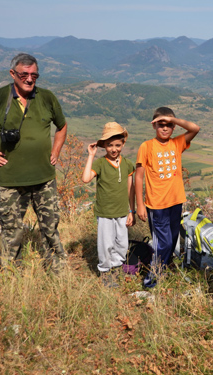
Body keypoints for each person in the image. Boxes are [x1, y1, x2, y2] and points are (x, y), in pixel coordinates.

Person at [0, 53, 68, 272]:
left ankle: (57, 269)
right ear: (13, 74)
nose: (29, 79)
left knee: (50, 228)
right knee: (12, 231)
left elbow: (62, 126)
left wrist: (56, 150)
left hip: (44, 178)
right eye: (24, 74)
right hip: (10, 180)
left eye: (34, 75)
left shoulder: (46, 97)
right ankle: (13, 273)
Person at [135, 107, 200, 288]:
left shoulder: (177, 143)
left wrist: (174, 119)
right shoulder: (146, 146)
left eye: (169, 125)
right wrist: (140, 205)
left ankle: (162, 270)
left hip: (175, 201)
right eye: (161, 124)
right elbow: (138, 176)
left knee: (171, 241)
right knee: (162, 243)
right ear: (154, 125)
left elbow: (195, 128)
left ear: (174, 127)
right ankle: (151, 280)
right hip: (156, 204)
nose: (165, 128)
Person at [82, 122, 136, 287]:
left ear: (123, 144)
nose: (114, 149)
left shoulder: (127, 164)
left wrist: (131, 211)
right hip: (105, 212)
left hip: (122, 211)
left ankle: (117, 268)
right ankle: (105, 272)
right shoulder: (100, 163)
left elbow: (130, 189)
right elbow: (85, 179)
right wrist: (91, 155)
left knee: (122, 243)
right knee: (106, 244)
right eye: (110, 145)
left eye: (118, 145)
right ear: (103, 145)